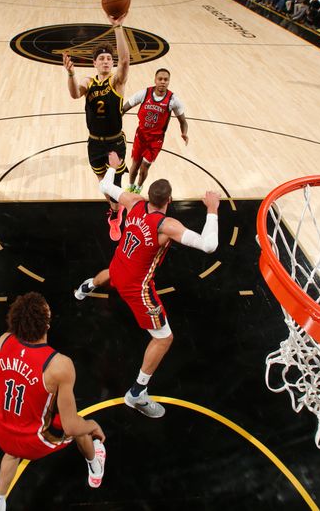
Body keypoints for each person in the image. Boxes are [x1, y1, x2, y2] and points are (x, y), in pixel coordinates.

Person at [75, 153, 220, 418]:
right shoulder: (167, 226)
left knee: (109, 273)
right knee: (164, 338)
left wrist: (114, 167)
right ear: (170, 200)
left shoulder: (133, 201)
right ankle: (136, 393)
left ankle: (85, 287)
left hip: (120, 264)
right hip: (137, 288)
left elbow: (105, 187)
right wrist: (212, 209)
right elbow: (209, 245)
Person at [0, 292, 106, 511]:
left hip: (2, 431)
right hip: (36, 441)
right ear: (47, 324)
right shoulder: (59, 365)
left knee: (12, 452)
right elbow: (71, 426)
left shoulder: (3, 341)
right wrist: (93, 425)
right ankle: (95, 465)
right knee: (79, 426)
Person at [62, 11, 130, 241]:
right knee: (104, 187)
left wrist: (118, 28)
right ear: (94, 63)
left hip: (114, 142)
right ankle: (114, 211)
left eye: (108, 59)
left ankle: (118, 214)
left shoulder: (116, 81)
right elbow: (73, 94)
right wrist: (71, 74)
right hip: (94, 142)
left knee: (116, 187)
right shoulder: (88, 82)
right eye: (101, 58)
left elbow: (125, 61)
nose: (105, 61)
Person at [121, 68, 188, 195]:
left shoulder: (173, 100)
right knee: (135, 165)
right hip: (140, 136)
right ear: (155, 80)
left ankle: (139, 188)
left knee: (144, 167)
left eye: (166, 80)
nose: (163, 82)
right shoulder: (144, 94)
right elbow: (124, 108)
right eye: (160, 79)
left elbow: (183, 121)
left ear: (169, 82)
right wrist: (117, 121)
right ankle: (130, 186)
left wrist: (184, 133)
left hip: (155, 140)